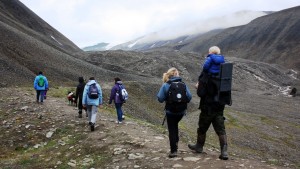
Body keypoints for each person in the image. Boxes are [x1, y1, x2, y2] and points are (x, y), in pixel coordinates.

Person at [188, 46, 229, 160]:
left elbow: (201, 93)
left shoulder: (206, 73)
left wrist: (198, 86)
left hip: (207, 106)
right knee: (221, 129)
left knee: (202, 128)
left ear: (210, 54)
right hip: (220, 106)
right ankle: (224, 152)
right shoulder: (224, 72)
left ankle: (199, 147)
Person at [157, 67, 192, 158]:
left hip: (170, 111)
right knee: (175, 125)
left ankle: (173, 150)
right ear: (177, 75)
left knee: (172, 129)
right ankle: (176, 141)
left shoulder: (166, 85)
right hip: (181, 111)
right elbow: (189, 97)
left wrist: (167, 98)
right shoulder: (183, 84)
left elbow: (160, 99)